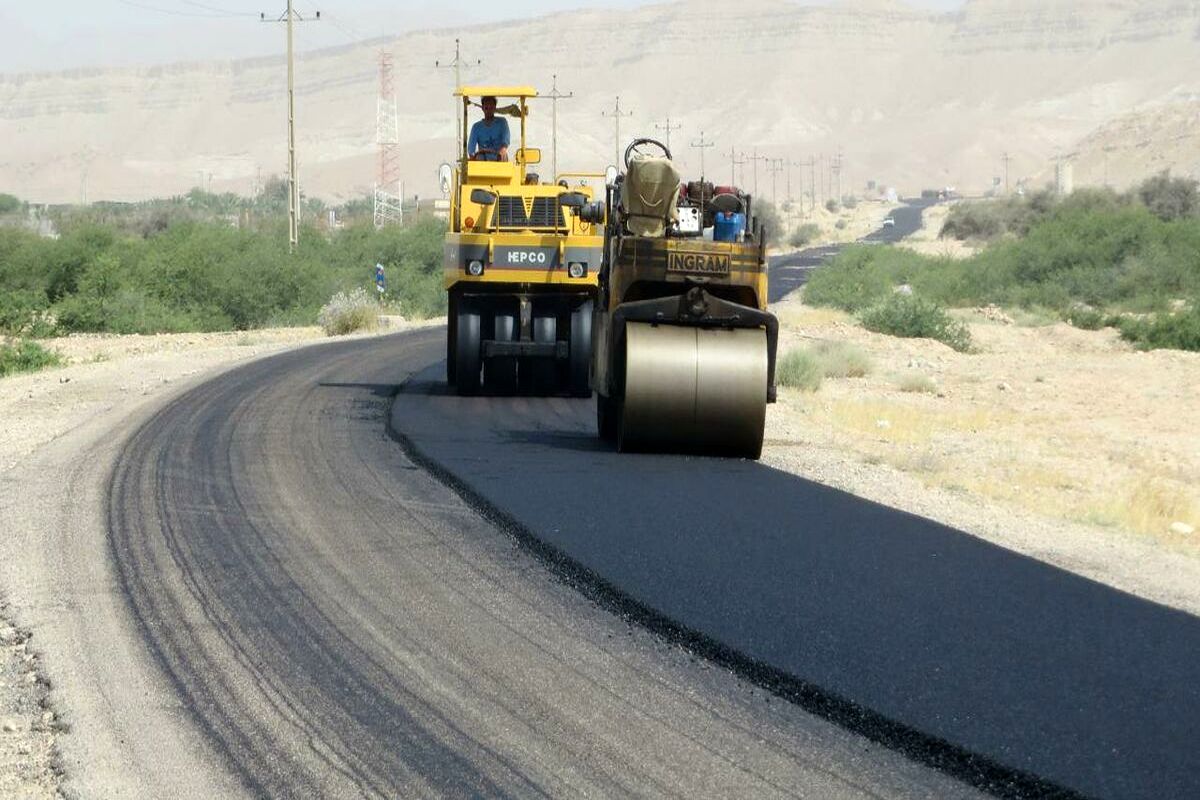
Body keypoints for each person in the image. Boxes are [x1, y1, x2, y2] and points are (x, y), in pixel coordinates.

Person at [467, 96, 510, 162]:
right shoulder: (476, 127)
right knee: (475, 159)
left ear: (495, 107)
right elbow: (471, 150)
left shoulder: (502, 122)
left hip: (499, 158)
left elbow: (506, 140)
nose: (489, 109)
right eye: (486, 107)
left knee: (504, 155)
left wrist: (503, 149)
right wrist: (472, 156)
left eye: (491, 107)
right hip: (482, 159)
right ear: (482, 108)